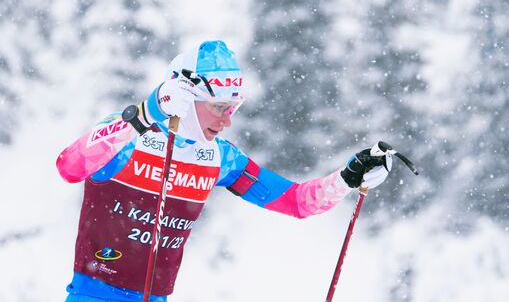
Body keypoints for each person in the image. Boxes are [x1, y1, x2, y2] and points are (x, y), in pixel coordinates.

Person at [56, 40, 391, 301]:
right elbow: (69, 166)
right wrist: (147, 113)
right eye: (219, 107)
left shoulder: (218, 158)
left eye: (234, 108)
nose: (227, 120)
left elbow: (297, 202)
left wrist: (347, 179)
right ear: (184, 99)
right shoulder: (130, 135)